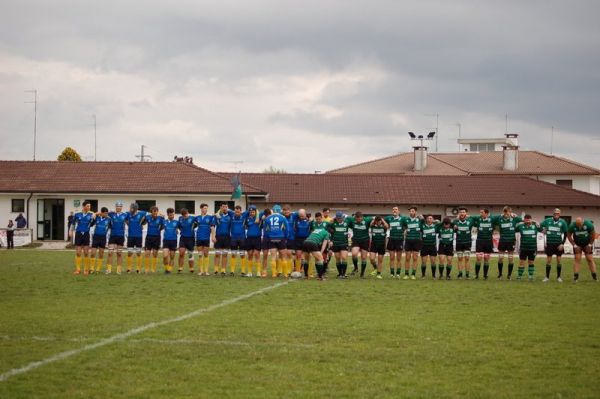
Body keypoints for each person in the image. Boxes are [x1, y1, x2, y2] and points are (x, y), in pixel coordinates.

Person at [540, 208, 568, 283]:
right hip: (549, 243)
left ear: (560, 214)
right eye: (555, 213)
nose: (556, 214)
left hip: (558, 244)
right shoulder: (547, 220)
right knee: (548, 261)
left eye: (558, 213)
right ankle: (547, 277)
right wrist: (542, 230)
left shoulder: (563, 222)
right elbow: (539, 226)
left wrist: (562, 244)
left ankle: (558, 277)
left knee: (559, 261)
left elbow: (565, 234)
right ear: (553, 214)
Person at [493, 206, 521, 280]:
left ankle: (509, 275)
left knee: (510, 258)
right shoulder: (500, 219)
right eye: (505, 212)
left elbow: (522, 219)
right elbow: (492, 218)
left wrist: (515, 215)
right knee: (500, 258)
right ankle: (500, 275)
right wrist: (500, 215)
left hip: (511, 241)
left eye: (507, 212)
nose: (506, 213)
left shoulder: (514, 218)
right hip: (502, 241)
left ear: (510, 212)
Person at [567, 218, 597, 282]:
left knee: (590, 259)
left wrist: (590, 245)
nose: (579, 227)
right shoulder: (572, 226)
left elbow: (593, 235)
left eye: (580, 225)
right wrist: (574, 245)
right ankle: (576, 277)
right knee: (577, 259)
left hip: (587, 244)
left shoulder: (589, 225)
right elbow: (569, 236)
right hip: (577, 244)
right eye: (577, 225)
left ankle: (594, 277)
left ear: (582, 222)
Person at [70, 201, 95, 275]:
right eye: (87, 206)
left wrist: (94, 216)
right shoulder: (77, 214)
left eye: (89, 206)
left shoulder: (91, 214)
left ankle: (86, 270)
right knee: (78, 252)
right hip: (78, 234)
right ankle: (78, 270)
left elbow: (93, 223)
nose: (89, 207)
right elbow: (73, 223)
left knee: (86, 252)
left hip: (86, 234)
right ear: (83, 206)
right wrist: (70, 231)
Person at [264, 204, 289, 277]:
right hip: (281, 238)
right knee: (283, 257)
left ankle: (274, 274)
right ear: (280, 210)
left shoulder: (268, 218)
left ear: (273, 210)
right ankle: (285, 274)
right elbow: (287, 229)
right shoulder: (283, 217)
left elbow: (265, 230)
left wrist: (269, 236)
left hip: (272, 238)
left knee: (273, 257)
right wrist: (285, 237)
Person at [346, 211, 372, 277]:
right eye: (357, 219)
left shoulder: (367, 220)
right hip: (356, 239)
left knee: (363, 257)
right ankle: (356, 268)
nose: (358, 221)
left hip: (365, 240)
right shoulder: (352, 220)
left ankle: (362, 273)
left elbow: (374, 219)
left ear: (362, 217)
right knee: (354, 254)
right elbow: (345, 218)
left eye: (360, 219)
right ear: (355, 218)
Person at [515, 215, 541, 280]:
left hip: (532, 248)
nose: (527, 221)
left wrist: (537, 222)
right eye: (526, 220)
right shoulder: (520, 226)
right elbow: (514, 229)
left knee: (531, 262)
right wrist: (518, 223)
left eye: (529, 219)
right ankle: (519, 276)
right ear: (524, 220)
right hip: (523, 248)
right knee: (521, 262)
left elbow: (542, 230)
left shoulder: (535, 226)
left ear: (531, 220)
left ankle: (530, 276)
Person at [452, 207, 476, 279]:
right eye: (461, 212)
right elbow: (452, 230)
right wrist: (454, 228)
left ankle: (467, 274)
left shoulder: (470, 220)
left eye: (463, 212)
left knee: (467, 258)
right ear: (459, 213)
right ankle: (460, 274)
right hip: (459, 242)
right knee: (459, 258)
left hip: (467, 242)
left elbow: (478, 218)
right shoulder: (455, 221)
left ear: (466, 213)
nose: (462, 213)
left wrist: (471, 216)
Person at [472, 208, 495, 280]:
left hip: (488, 241)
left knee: (486, 258)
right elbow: (471, 217)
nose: (480, 214)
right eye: (480, 213)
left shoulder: (492, 219)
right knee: (478, 258)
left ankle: (485, 275)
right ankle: (476, 275)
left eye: (482, 213)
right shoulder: (478, 219)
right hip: (480, 241)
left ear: (486, 213)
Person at [402, 206, 423, 280]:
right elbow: (403, 226)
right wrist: (405, 230)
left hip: (416, 241)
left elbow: (427, 223)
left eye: (413, 211)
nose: (411, 212)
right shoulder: (406, 220)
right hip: (408, 240)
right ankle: (406, 274)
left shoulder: (420, 220)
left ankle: (413, 274)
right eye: (410, 211)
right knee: (407, 258)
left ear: (415, 212)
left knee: (415, 258)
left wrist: (422, 218)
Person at [107, 201, 128, 274]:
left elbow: (131, 219)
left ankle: (118, 269)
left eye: (120, 206)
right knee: (110, 252)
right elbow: (102, 213)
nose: (118, 208)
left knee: (119, 253)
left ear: (121, 207)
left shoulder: (125, 215)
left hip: (121, 236)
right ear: (115, 207)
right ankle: (108, 269)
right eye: (117, 206)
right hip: (112, 235)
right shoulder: (111, 214)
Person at [125, 203, 147, 273]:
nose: (130, 209)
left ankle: (138, 268)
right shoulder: (128, 214)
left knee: (138, 252)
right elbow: (125, 219)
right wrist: (128, 224)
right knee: (129, 252)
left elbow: (148, 215)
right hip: (130, 236)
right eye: (130, 207)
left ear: (136, 209)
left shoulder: (141, 213)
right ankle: (129, 268)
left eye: (132, 208)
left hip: (138, 236)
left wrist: (143, 223)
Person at [213, 202, 234, 276]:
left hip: (227, 237)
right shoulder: (217, 216)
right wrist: (213, 236)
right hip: (218, 237)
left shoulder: (230, 216)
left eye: (226, 207)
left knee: (225, 254)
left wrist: (227, 210)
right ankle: (216, 269)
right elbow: (213, 226)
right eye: (223, 207)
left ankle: (223, 270)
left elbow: (234, 212)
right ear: (220, 207)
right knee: (217, 253)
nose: (225, 208)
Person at [194, 204, 214, 276]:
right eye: (204, 208)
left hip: (206, 238)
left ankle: (206, 271)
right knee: (200, 255)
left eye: (206, 208)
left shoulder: (210, 217)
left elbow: (212, 227)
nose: (206, 209)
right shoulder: (197, 218)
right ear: (201, 209)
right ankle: (201, 271)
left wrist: (213, 236)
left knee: (206, 254)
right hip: (199, 237)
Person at [385, 206, 405, 278]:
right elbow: (381, 220)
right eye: (393, 209)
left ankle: (398, 273)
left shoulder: (403, 218)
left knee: (399, 258)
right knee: (392, 258)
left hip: (399, 240)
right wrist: (386, 224)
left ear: (399, 211)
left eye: (396, 209)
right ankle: (392, 273)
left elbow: (407, 226)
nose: (394, 210)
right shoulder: (389, 218)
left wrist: (404, 233)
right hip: (391, 239)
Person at [329, 211, 350, 278]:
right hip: (336, 243)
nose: (339, 219)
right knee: (337, 258)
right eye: (338, 218)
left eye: (340, 218)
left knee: (344, 257)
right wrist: (332, 219)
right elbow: (328, 225)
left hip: (344, 243)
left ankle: (343, 274)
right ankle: (340, 273)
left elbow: (350, 217)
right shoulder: (333, 223)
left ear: (343, 218)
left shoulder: (347, 222)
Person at [143, 206, 164, 274]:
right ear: (151, 212)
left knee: (155, 253)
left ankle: (153, 268)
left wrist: (158, 230)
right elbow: (143, 223)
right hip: (149, 237)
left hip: (157, 237)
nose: (155, 212)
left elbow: (163, 226)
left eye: (156, 211)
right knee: (147, 253)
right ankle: (146, 269)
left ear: (157, 212)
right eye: (153, 211)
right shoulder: (148, 217)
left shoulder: (160, 218)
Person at [90, 207, 111, 274]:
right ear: (101, 213)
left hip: (103, 237)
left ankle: (98, 269)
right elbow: (91, 224)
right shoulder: (97, 217)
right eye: (105, 213)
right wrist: (95, 214)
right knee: (93, 253)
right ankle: (92, 268)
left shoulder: (109, 219)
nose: (106, 214)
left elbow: (112, 227)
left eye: (107, 213)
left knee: (101, 254)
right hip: (96, 237)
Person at [244, 206, 262, 277]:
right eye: (250, 212)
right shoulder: (247, 218)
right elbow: (244, 214)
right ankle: (249, 272)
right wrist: (248, 211)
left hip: (257, 238)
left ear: (255, 212)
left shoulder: (259, 217)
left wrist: (257, 213)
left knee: (257, 254)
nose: (251, 213)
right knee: (250, 255)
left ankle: (258, 272)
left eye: (253, 212)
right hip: (249, 238)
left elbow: (264, 212)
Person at [294, 209, 313, 276]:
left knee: (307, 256)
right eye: (300, 215)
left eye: (302, 215)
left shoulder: (310, 221)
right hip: (298, 239)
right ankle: (298, 271)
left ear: (305, 214)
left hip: (307, 240)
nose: (301, 217)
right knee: (298, 255)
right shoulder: (296, 220)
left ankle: (309, 272)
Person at [229, 205, 248, 276]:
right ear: (234, 211)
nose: (237, 211)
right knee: (233, 254)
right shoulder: (231, 214)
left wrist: (258, 217)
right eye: (236, 210)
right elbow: (222, 210)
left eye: (238, 210)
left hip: (242, 238)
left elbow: (255, 209)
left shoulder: (244, 215)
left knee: (242, 255)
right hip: (233, 238)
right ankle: (232, 271)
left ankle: (243, 271)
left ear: (241, 210)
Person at [177, 208, 197, 274]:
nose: (185, 216)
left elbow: (197, 224)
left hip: (191, 238)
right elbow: (179, 226)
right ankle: (180, 268)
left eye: (186, 215)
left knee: (190, 254)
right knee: (181, 252)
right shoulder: (180, 218)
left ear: (188, 213)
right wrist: (180, 230)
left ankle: (191, 268)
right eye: (183, 215)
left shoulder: (193, 218)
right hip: (183, 237)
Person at [162, 208, 179, 273]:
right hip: (166, 240)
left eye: (173, 215)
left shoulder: (176, 222)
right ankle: (166, 268)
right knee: (165, 256)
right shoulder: (164, 221)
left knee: (172, 257)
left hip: (173, 241)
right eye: (170, 215)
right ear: (168, 215)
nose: (172, 216)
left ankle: (170, 269)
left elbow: (180, 228)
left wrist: (177, 231)